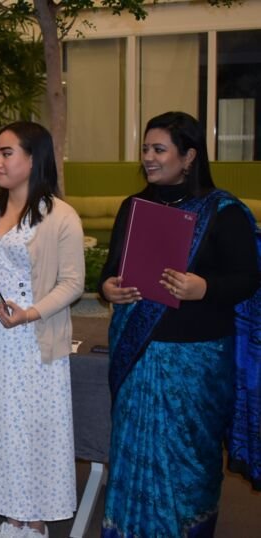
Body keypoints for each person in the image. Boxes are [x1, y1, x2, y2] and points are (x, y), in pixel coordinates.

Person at [99, 111, 259, 537]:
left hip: (198, 360)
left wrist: (202, 287)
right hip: (139, 355)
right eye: (146, 149)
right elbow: (112, 269)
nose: (148, 158)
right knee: (134, 455)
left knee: (188, 460)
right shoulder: (134, 206)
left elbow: (248, 279)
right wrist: (109, 289)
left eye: (159, 149)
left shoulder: (224, 211)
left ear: (188, 156)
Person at [0, 121, 84, 538]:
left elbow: (73, 283)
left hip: (35, 342)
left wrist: (29, 313)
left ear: (34, 159)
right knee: (0, 429)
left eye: (7, 153)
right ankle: (11, 515)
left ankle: (34, 521)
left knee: (33, 431)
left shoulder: (60, 216)